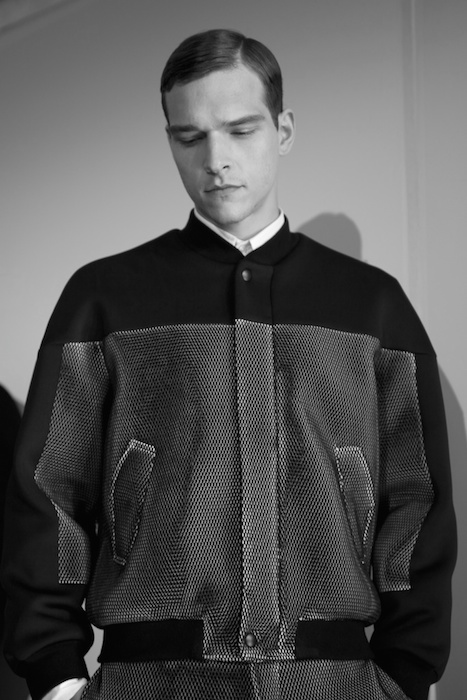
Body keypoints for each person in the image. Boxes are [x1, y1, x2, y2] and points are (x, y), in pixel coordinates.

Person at [1, 28, 456, 700]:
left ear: (283, 130)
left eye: (241, 130)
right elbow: (49, 490)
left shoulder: (371, 304)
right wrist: (57, 679)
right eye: (190, 137)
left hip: (337, 681)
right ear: (170, 141)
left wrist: (406, 674)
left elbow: (418, 499)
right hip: (148, 681)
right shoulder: (104, 297)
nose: (216, 160)